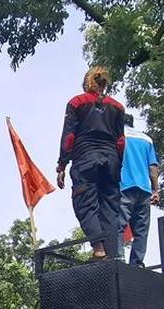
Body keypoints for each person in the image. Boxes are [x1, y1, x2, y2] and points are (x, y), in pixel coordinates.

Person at [55, 66, 127, 260]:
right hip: (111, 161)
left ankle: (99, 250)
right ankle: (111, 255)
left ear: (86, 83)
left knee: (85, 204)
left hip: (85, 159)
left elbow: (69, 138)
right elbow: (121, 141)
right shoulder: (117, 107)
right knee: (110, 209)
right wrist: (118, 166)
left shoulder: (77, 103)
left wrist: (62, 165)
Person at [119, 113, 160, 266]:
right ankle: (137, 264)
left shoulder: (118, 136)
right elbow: (153, 168)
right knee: (141, 230)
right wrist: (155, 190)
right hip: (144, 189)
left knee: (118, 226)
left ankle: (118, 259)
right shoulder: (146, 139)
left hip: (123, 186)